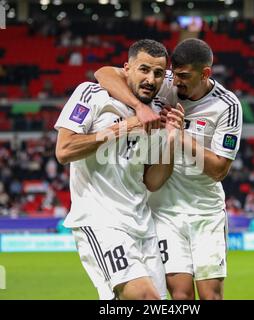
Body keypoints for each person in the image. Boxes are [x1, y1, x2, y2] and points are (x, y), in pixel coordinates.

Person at [94, 38, 243, 300]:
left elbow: (219, 170)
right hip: (164, 211)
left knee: (211, 296)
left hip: (205, 212)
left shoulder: (228, 107)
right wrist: (140, 107)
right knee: (180, 296)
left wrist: (181, 134)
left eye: (185, 76)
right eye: (176, 74)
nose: (176, 82)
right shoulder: (166, 82)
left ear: (205, 73)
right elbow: (103, 73)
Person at [55, 39, 184, 300]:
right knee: (147, 299)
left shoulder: (158, 112)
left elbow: (153, 181)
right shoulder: (91, 95)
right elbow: (64, 150)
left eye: (158, 73)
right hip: (100, 220)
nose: (151, 79)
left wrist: (171, 139)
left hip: (143, 227)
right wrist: (125, 126)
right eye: (144, 69)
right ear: (126, 68)